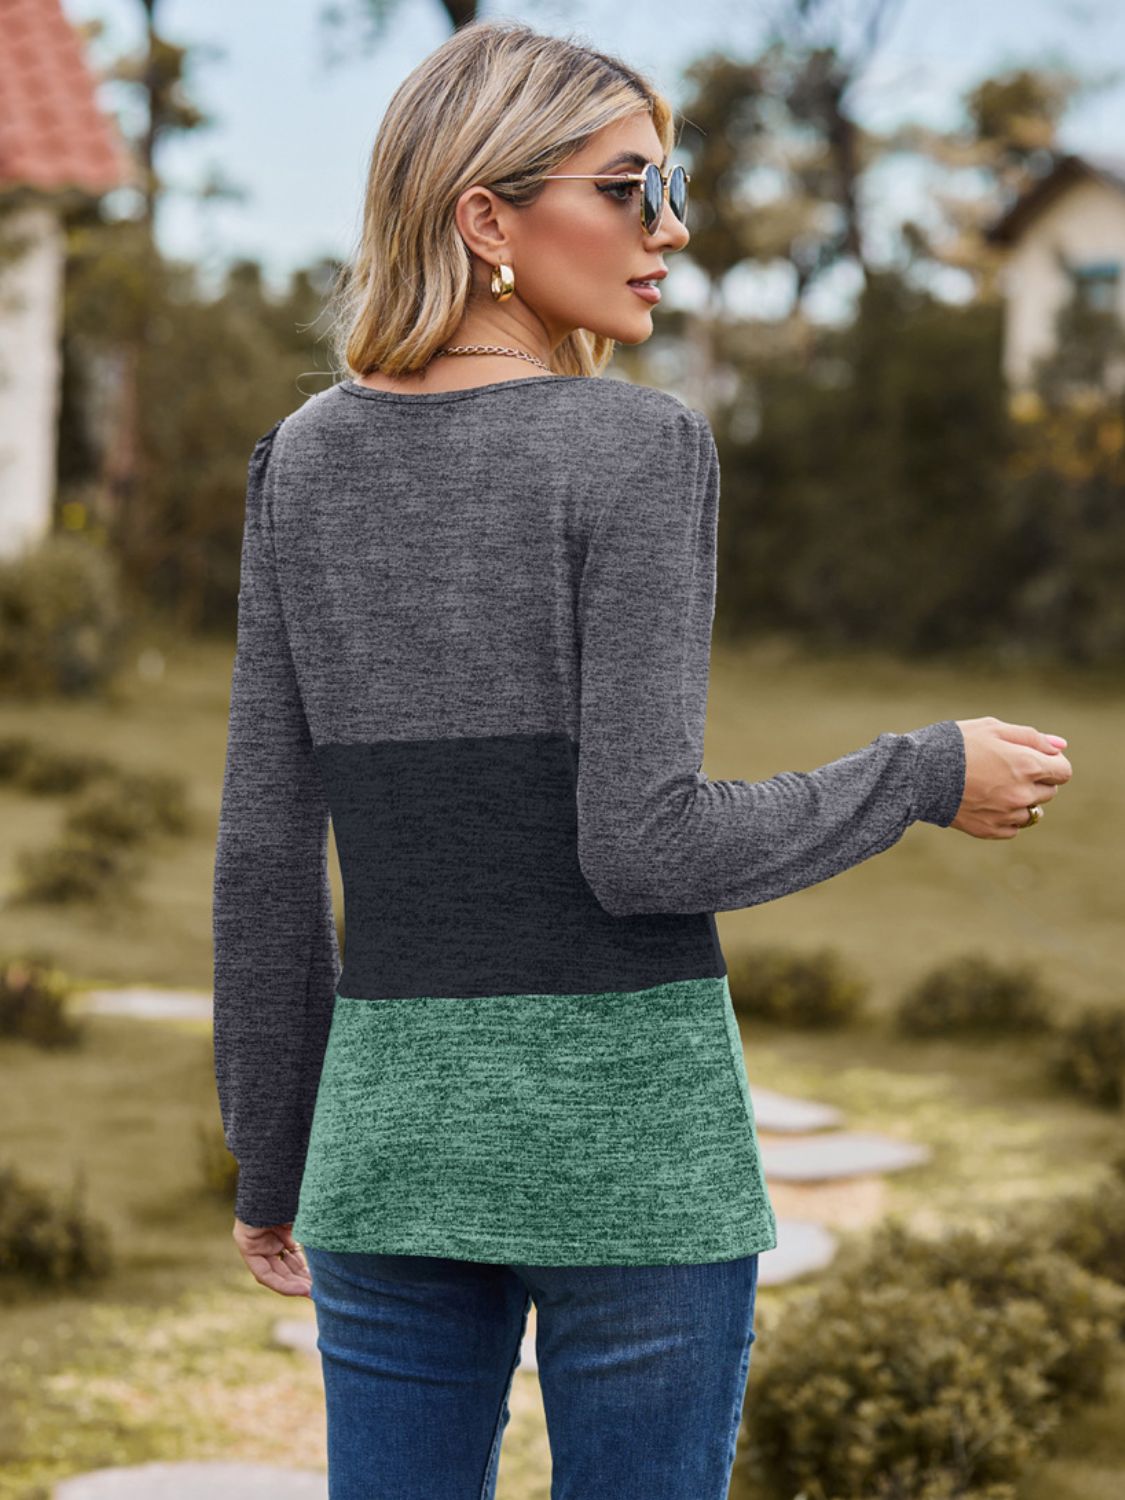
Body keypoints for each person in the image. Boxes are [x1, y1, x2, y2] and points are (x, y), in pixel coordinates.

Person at [210, 18, 1073, 1500]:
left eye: (669, 189)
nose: (670, 230)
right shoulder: (632, 446)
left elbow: (263, 851)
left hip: (389, 1149)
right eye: (629, 189)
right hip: (632, 1152)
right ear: (486, 217)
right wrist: (922, 773)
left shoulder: (302, 459)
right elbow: (645, 846)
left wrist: (276, 1152)